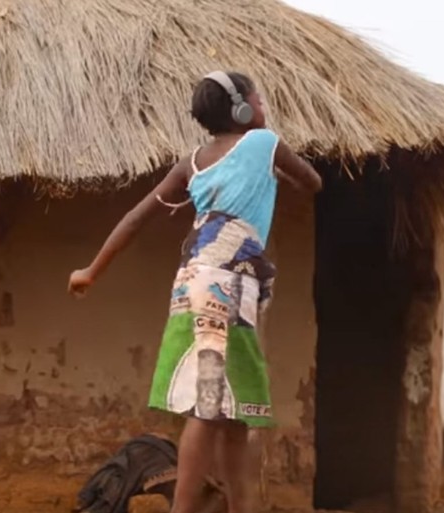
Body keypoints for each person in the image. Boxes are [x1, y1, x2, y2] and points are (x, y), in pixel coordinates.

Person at [68, 70, 322, 513]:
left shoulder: (192, 163)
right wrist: (278, 176)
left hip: (195, 282)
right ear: (242, 107)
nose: (263, 105)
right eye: (257, 97)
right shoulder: (265, 144)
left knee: (234, 411)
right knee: (208, 408)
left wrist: (91, 270)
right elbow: (314, 182)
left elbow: (134, 217)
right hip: (226, 286)